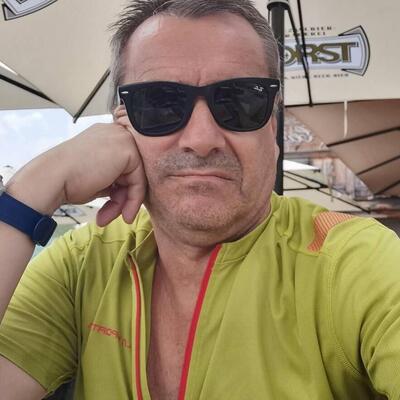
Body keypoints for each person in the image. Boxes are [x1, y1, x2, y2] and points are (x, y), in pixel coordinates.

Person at [0, 0, 399, 399]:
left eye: (240, 101)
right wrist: (34, 189)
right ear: (121, 126)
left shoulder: (352, 261)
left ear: (272, 128)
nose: (202, 139)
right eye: (160, 103)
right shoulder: (83, 263)